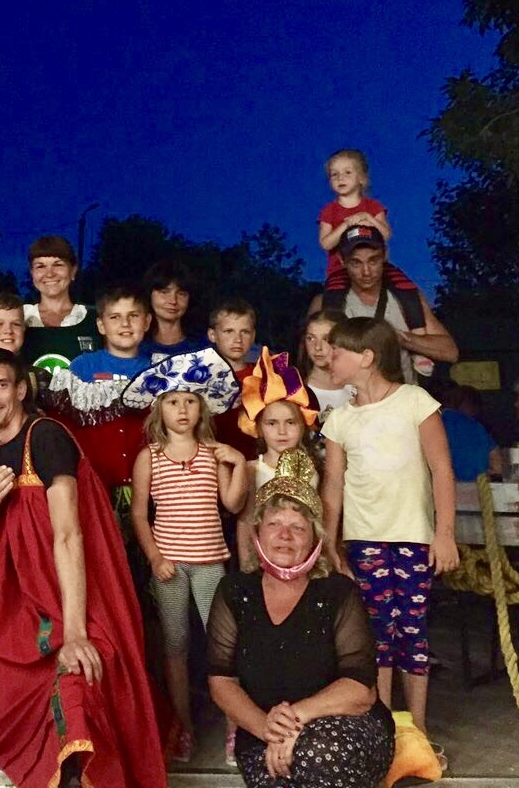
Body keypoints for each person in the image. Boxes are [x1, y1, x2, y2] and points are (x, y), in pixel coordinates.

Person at [0, 348, 167, 788]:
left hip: (77, 591)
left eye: (1, 385)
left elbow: (69, 535)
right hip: (26, 595)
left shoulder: (46, 437)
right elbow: (4, 526)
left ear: (21, 390)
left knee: (80, 677)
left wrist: (75, 632)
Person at [207, 448, 395, 788]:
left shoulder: (339, 592)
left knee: (315, 755)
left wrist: (294, 719)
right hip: (264, 732)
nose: (285, 535)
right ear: (257, 533)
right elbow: (222, 681)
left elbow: (361, 689)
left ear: (315, 540)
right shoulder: (234, 591)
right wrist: (267, 728)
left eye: (297, 527)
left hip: (345, 729)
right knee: (277, 778)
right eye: (274, 524)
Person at [320, 317, 458, 735]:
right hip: (363, 541)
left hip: (413, 539)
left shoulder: (415, 400)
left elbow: (441, 469)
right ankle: (381, 729)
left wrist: (445, 534)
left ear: (366, 357)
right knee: (375, 635)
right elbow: (332, 486)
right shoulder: (339, 420)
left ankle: (417, 731)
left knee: (412, 632)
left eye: (337, 351)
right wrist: (330, 542)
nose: (328, 357)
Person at [129, 375, 248, 760]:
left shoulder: (214, 453)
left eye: (190, 401)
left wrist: (238, 463)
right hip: (170, 566)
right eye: (173, 402)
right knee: (175, 645)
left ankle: (234, 726)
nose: (182, 409)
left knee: (223, 645)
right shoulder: (150, 456)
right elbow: (139, 514)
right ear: (158, 409)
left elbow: (232, 504)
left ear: (202, 408)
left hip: (210, 562)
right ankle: (183, 726)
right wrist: (155, 557)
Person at [312, 226, 457, 383]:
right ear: (342, 260)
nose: (366, 272)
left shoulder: (408, 299)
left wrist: (401, 339)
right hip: (347, 395)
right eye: (356, 263)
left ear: (385, 255)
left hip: (401, 395)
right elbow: (308, 358)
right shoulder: (324, 303)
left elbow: (450, 351)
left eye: (373, 260)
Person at [235, 347, 320, 572]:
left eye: (290, 423)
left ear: (303, 426)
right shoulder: (252, 469)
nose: (282, 432)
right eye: (272, 423)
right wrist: (246, 566)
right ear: (259, 428)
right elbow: (245, 521)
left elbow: (317, 520)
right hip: (262, 560)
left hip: (301, 558)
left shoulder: (313, 470)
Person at [21, 235, 98, 369]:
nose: (49, 274)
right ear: (32, 273)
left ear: (73, 270)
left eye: (58, 265)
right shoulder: (19, 318)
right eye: (40, 266)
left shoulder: (95, 318)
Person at [317, 148, 391, 277]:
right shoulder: (328, 211)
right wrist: (347, 225)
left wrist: (368, 218)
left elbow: (386, 235)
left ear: (361, 178)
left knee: (402, 286)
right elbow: (326, 244)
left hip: (375, 270)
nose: (340, 178)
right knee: (334, 290)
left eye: (347, 172)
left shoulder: (373, 206)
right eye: (334, 174)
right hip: (340, 271)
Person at [207, 297, 262, 459]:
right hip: (211, 459)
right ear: (212, 335)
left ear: (253, 336)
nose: (237, 339)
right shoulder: (201, 378)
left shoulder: (263, 377)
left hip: (254, 459)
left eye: (245, 332)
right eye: (228, 331)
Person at [69, 286, 152, 381]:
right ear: (101, 326)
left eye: (133, 315)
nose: (125, 323)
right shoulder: (83, 366)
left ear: (146, 322)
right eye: (115, 317)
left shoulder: (160, 368)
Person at [141, 259, 208, 358]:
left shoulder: (204, 347)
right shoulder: (137, 346)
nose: (173, 301)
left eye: (181, 294)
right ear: (149, 295)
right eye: (164, 292)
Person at [296, 309, 354, 421]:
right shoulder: (296, 391)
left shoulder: (357, 386)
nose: (317, 347)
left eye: (326, 339)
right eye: (310, 338)